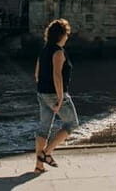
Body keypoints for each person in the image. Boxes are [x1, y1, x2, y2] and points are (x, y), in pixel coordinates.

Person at [34, 18, 79, 173]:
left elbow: (36, 74)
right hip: (55, 94)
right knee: (72, 123)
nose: (67, 36)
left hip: (42, 93)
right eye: (66, 34)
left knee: (43, 128)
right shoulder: (58, 52)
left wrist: (43, 89)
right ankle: (46, 153)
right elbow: (57, 75)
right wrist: (60, 98)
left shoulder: (44, 49)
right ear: (61, 35)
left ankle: (38, 166)